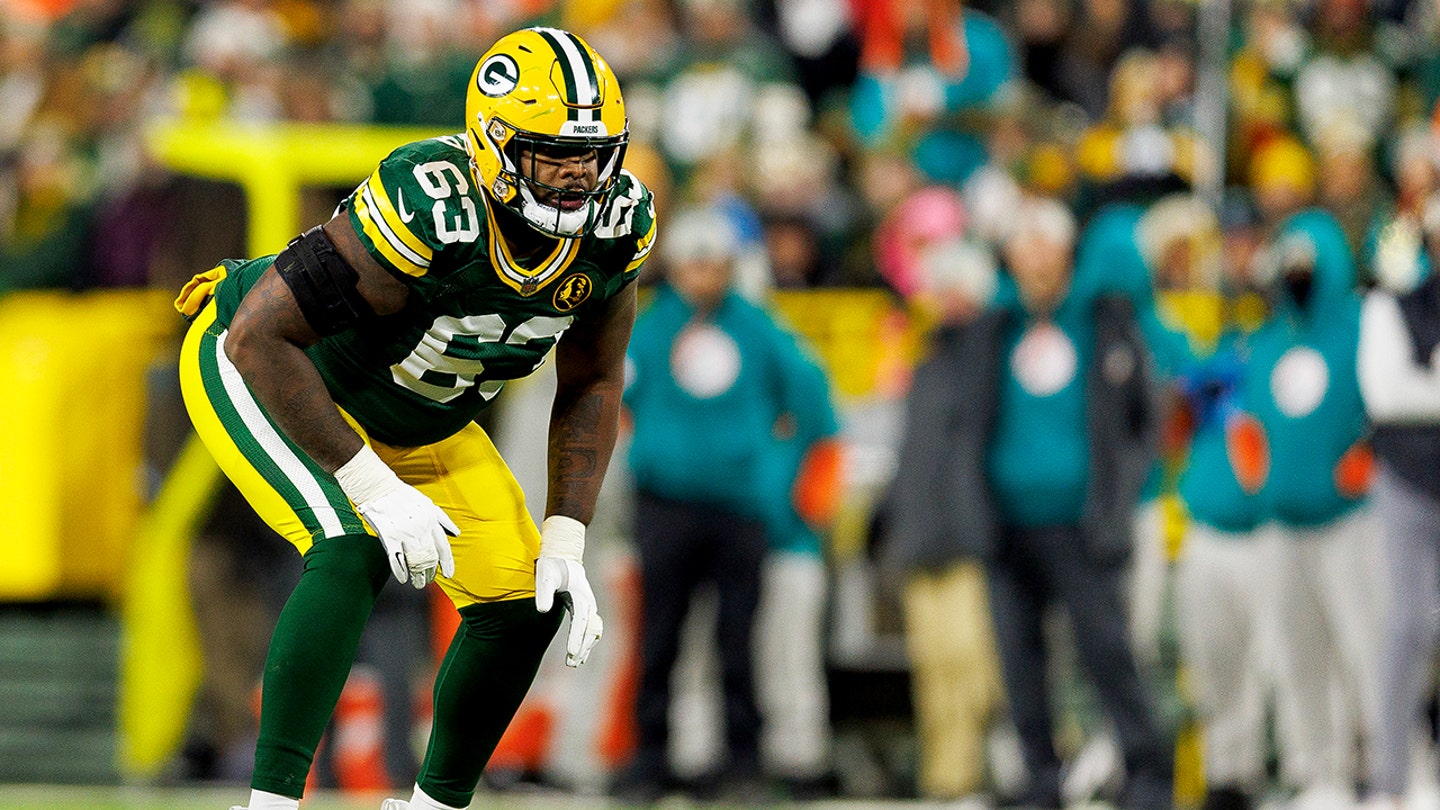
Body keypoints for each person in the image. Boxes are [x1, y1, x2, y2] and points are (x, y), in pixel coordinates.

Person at [170, 27, 655, 810]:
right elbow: (259, 338)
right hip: (274, 374)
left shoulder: (616, 226)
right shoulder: (431, 201)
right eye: (552, 153)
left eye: (592, 154)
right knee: (352, 543)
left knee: (528, 597)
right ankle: (269, 805)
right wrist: (371, 485)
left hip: (419, 414)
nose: (577, 174)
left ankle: (433, 807)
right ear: (494, 145)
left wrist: (567, 531)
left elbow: (594, 378)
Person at [932, 196, 1172, 810]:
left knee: (1108, 652)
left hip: (1083, 522)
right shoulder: (992, 329)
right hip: (1008, 523)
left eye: (1047, 245)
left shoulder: (1103, 321)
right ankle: (1041, 775)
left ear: (1068, 253)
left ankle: (1146, 772)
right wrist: (972, 505)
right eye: (1025, 245)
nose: (1036, 259)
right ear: (1009, 256)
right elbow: (964, 423)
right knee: (1019, 659)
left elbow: (1144, 419)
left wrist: (1119, 497)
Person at [616, 205, 833, 802]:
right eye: (694, 263)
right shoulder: (652, 326)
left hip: (739, 506)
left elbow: (810, 396)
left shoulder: (757, 326)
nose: (704, 274)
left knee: (739, 640)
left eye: (714, 263)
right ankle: (652, 757)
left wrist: (772, 471)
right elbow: (613, 394)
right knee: (660, 636)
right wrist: (655, 452)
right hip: (666, 503)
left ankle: (742, 760)